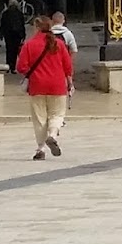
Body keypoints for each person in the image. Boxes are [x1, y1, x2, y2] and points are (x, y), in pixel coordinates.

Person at [17, 16, 74, 161]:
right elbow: (68, 67)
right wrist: (70, 83)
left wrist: (32, 73)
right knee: (57, 115)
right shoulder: (59, 44)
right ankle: (52, 135)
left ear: (37, 27)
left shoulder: (29, 44)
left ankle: (40, 148)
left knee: (39, 118)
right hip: (57, 85)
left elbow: (21, 67)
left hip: (37, 86)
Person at [0, 0, 27, 77]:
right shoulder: (19, 14)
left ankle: (8, 65)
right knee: (15, 51)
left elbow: (2, 25)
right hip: (17, 34)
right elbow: (22, 25)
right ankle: (13, 67)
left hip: (8, 34)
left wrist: (0, 35)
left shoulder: (5, 13)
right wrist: (23, 35)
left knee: (9, 50)